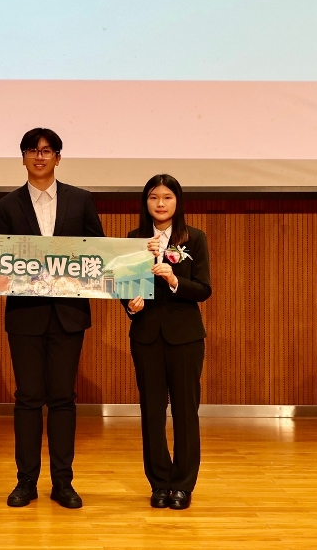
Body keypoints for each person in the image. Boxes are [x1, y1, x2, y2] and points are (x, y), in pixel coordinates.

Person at [0, 128, 103, 509]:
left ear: (58, 157)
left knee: (62, 399)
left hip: (68, 315)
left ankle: (63, 482)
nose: (39, 157)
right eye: (32, 150)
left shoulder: (81, 200)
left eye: (46, 150)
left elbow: (97, 253)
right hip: (25, 316)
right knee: (27, 399)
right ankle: (26, 482)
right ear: (23, 157)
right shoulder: (7, 205)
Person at [125, 173, 212, 511]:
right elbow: (125, 286)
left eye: (167, 197)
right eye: (153, 197)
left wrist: (175, 280)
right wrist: (130, 306)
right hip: (146, 336)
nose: (160, 204)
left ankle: (183, 485)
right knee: (151, 412)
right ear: (145, 202)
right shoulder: (133, 240)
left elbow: (203, 289)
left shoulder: (194, 238)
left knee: (185, 411)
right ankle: (159, 483)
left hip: (185, 337)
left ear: (178, 201)